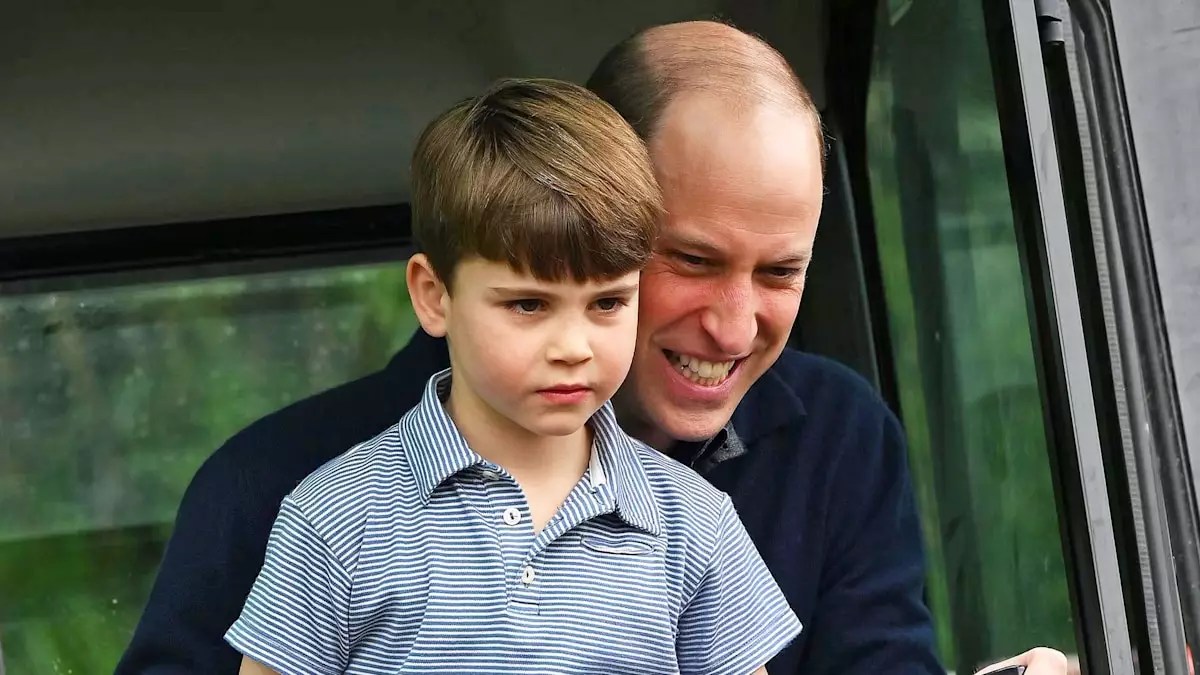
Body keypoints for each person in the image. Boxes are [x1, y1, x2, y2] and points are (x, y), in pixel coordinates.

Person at [117, 20, 1071, 675]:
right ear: (588, 209)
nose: (734, 326)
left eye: (781, 272)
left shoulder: (831, 444)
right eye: (692, 260)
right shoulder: (293, 493)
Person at [226, 76, 800, 675]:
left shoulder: (694, 523)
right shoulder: (337, 516)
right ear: (434, 296)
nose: (573, 347)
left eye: (607, 303)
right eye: (529, 304)